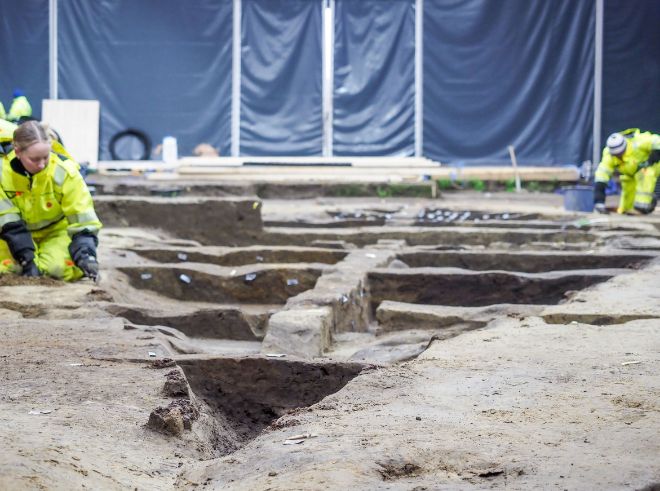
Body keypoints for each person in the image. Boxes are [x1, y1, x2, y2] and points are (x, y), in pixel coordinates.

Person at [0, 120, 102, 281]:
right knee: (9, 268)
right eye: (34, 159)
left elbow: (82, 216)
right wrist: (26, 258)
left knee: (57, 269)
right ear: (17, 152)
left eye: (46, 157)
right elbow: (7, 220)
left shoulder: (65, 171)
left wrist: (85, 254)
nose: (41, 165)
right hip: (11, 236)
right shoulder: (2, 173)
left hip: (55, 232)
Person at [594, 128, 660, 214]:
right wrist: (599, 201)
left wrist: (653, 157)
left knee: (645, 173)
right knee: (626, 180)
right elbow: (602, 173)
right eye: (616, 155)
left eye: (620, 153)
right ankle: (629, 208)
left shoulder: (638, 142)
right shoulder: (609, 154)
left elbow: (657, 142)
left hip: (653, 166)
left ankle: (642, 206)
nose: (619, 157)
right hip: (631, 172)